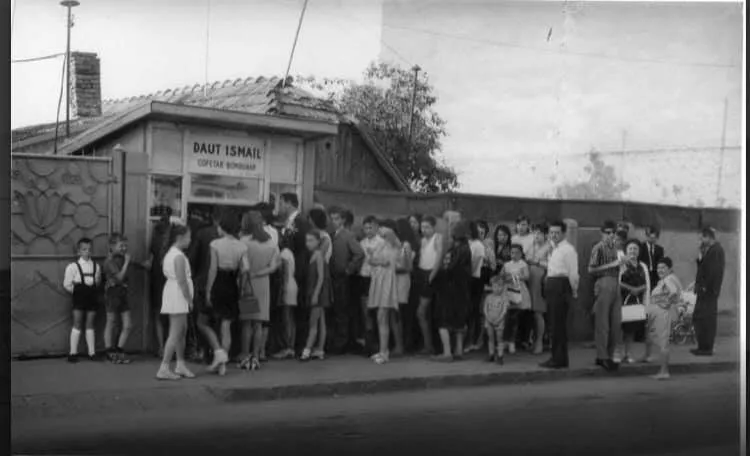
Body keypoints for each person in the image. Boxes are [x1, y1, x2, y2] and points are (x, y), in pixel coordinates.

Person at [203, 212, 245, 375]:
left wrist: (208, 290)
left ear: (222, 227)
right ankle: (223, 364)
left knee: (211, 321)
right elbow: (245, 269)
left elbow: (212, 269)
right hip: (232, 283)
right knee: (226, 325)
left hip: (218, 283)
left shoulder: (215, 244)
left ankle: (218, 355)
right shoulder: (242, 246)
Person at [238, 211, 280, 370]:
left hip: (248, 284)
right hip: (263, 284)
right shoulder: (271, 243)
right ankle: (256, 356)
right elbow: (274, 266)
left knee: (247, 323)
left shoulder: (244, 242)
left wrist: (249, 276)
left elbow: (243, 266)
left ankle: (245, 356)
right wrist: (260, 273)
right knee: (259, 323)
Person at [588, 220, 628, 371]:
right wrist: (612, 265)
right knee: (602, 322)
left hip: (616, 283)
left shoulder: (617, 248)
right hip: (603, 282)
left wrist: (624, 263)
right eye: (608, 232)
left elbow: (622, 267)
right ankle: (602, 356)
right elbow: (591, 269)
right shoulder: (598, 248)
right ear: (602, 233)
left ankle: (610, 355)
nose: (611, 235)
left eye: (613, 233)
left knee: (615, 323)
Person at [157, 224, 195, 380]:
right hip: (178, 295)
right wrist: (189, 299)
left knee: (181, 330)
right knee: (175, 332)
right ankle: (164, 367)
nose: (190, 240)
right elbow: (182, 280)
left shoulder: (171, 254)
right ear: (180, 238)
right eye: (188, 237)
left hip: (173, 293)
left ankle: (180, 364)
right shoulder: (178, 256)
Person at [539, 220, 579, 370]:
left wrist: (574, 290)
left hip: (561, 285)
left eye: (557, 232)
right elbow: (538, 257)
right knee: (553, 323)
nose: (553, 235)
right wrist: (548, 244)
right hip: (551, 283)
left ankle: (559, 358)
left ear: (564, 233)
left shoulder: (568, 250)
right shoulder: (553, 248)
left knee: (558, 324)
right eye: (551, 232)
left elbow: (573, 272)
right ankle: (557, 357)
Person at [432, 221, 473, 362]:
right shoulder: (466, 248)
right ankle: (459, 350)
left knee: (444, 321)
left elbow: (451, 268)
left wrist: (437, 274)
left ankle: (447, 352)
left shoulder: (457, 250)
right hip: (462, 290)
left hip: (450, 289)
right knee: (459, 322)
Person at [327, 206, 365, 355]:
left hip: (342, 276)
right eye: (332, 218)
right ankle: (336, 340)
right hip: (332, 276)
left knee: (342, 309)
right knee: (335, 309)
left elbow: (359, 253)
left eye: (336, 218)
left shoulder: (347, 235)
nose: (333, 221)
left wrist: (349, 269)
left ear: (343, 220)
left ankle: (342, 342)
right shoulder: (331, 235)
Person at [188, 207, 222, 364]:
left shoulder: (202, 234)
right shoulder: (232, 237)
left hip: (202, 281)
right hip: (223, 284)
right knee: (219, 320)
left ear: (213, 218)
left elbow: (192, 258)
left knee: (201, 320)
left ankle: (203, 350)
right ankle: (217, 350)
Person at [278, 193, 311, 352]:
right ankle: (292, 344)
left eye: (282, 203)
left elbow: (302, 247)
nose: (280, 207)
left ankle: (297, 345)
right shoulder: (289, 222)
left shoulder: (301, 222)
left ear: (289, 203)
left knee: (298, 309)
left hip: (297, 270)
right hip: (290, 269)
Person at [641, 257, 683, 380]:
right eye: (658, 267)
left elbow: (673, 293)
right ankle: (650, 358)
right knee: (656, 339)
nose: (660, 270)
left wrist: (666, 303)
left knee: (663, 343)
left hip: (663, 314)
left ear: (670, 269)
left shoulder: (668, 279)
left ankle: (664, 372)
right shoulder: (668, 279)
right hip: (660, 313)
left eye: (663, 267)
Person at [63, 237, 103, 363]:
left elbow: (98, 281)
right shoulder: (72, 267)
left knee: (90, 324)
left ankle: (92, 352)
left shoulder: (96, 266)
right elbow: (67, 284)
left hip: (92, 297)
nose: (87, 252)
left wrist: (91, 288)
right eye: (84, 249)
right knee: (77, 323)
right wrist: (78, 291)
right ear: (78, 251)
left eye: (89, 249)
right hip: (79, 297)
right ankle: (73, 352)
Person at [367, 223, 401, 364]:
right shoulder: (380, 245)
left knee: (383, 316)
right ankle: (383, 350)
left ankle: (384, 352)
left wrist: (386, 230)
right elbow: (371, 261)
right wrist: (373, 256)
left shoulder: (394, 243)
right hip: (378, 279)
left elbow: (393, 238)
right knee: (380, 318)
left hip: (387, 281)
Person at [692, 227, 725, 356]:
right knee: (700, 318)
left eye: (702, 238)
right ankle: (702, 346)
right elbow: (704, 268)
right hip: (704, 290)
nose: (700, 241)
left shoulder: (716, 250)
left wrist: (706, 287)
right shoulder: (709, 250)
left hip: (708, 292)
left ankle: (706, 348)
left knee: (706, 320)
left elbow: (714, 272)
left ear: (708, 237)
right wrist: (701, 257)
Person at [300, 229, 331, 361]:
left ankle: (306, 350)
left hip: (318, 292)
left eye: (311, 240)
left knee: (313, 323)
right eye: (307, 240)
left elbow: (321, 277)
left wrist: (316, 294)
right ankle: (320, 349)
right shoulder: (314, 255)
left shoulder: (318, 255)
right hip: (316, 291)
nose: (308, 243)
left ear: (318, 241)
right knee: (321, 321)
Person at [619, 239, 651, 364]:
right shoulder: (622, 265)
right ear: (626, 251)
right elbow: (617, 282)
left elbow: (647, 284)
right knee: (625, 330)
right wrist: (630, 289)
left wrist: (639, 290)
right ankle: (624, 354)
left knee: (635, 329)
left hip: (638, 301)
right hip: (624, 300)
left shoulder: (643, 266)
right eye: (630, 248)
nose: (633, 251)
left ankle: (638, 355)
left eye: (635, 249)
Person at [103, 234, 133, 364]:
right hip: (112, 294)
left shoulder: (121, 258)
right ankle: (109, 351)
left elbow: (134, 264)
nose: (124, 248)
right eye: (121, 246)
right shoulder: (109, 261)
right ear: (112, 246)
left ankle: (119, 350)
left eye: (125, 246)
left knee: (128, 325)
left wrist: (144, 264)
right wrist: (127, 262)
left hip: (123, 294)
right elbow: (119, 278)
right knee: (111, 322)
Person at [415, 216, 443, 355]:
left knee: (421, 312)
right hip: (421, 273)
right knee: (423, 313)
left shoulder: (437, 238)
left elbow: (439, 258)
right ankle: (427, 344)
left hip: (430, 274)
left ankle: (429, 345)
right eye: (422, 227)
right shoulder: (422, 240)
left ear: (433, 227)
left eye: (427, 227)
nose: (424, 230)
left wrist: (431, 276)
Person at [146, 211, 172, 357]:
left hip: (156, 280)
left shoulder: (155, 241)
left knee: (158, 315)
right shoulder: (173, 247)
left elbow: (149, 262)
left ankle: (161, 348)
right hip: (170, 282)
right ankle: (169, 347)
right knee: (171, 317)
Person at [358, 216, 385, 355]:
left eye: (370, 227)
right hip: (364, 277)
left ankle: (378, 344)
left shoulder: (382, 242)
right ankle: (368, 344)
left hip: (376, 277)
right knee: (366, 310)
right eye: (365, 228)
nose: (368, 231)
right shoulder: (362, 243)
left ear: (376, 227)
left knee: (376, 311)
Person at [500, 244, 532, 354]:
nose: (514, 255)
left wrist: (513, 277)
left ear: (521, 254)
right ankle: (505, 340)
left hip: (519, 292)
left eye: (517, 253)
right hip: (508, 292)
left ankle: (512, 341)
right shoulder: (507, 264)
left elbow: (526, 276)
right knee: (507, 318)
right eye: (512, 252)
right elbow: (501, 276)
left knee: (515, 318)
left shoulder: (523, 264)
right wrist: (504, 278)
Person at [272, 237, 299, 359]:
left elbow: (284, 273)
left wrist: (282, 291)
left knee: (286, 318)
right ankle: (291, 346)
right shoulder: (290, 253)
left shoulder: (283, 254)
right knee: (291, 318)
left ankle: (287, 347)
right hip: (293, 284)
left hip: (286, 286)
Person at [527, 223, 552, 355]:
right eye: (534, 233)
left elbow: (552, 265)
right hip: (530, 280)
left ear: (546, 235)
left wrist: (537, 262)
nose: (536, 236)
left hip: (541, 281)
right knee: (532, 313)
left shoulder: (549, 247)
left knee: (539, 312)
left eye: (539, 233)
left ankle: (540, 342)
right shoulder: (532, 246)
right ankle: (533, 339)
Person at [394, 218, 417, 354]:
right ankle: (400, 344)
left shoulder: (406, 245)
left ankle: (402, 344)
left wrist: (392, 268)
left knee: (400, 312)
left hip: (402, 279)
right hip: (396, 279)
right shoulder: (396, 244)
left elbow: (409, 267)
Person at [465, 221, 486, 353]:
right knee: (467, 311)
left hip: (474, 280)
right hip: (466, 279)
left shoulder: (478, 245)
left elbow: (474, 265)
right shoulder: (467, 243)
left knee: (473, 311)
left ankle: (473, 340)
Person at [484, 275, 511, 365]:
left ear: (503, 287)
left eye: (499, 286)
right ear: (491, 287)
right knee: (490, 337)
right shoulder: (488, 297)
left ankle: (500, 355)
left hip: (499, 321)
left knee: (499, 338)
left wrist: (499, 319)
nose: (497, 289)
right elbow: (485, 308)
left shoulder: (504, 298)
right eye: (495, 286)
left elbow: (504, 310)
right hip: (489, 320)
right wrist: (488, 317)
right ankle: (491, 354)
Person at [639, 226, 664, 291]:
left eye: (654, 238)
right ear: (647, 236)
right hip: (643, 274)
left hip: (655, 276)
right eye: (650, 237)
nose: (652, 239)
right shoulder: (641, 247)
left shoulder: (660, 249)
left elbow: (661, 263)